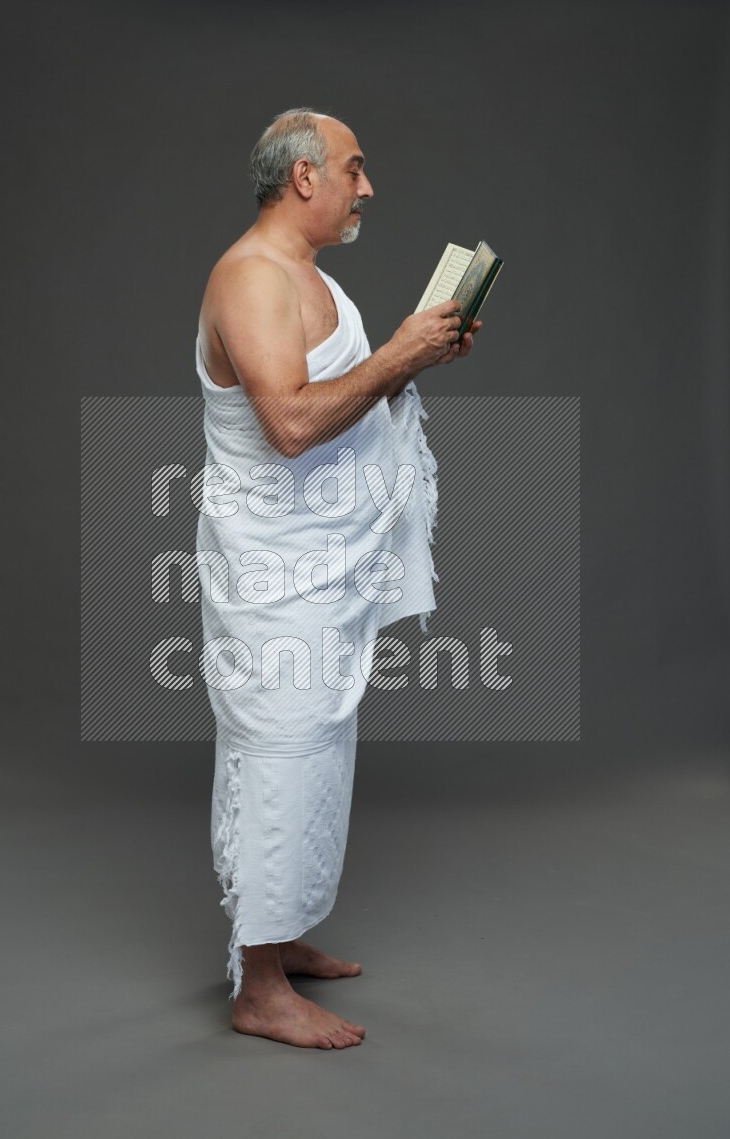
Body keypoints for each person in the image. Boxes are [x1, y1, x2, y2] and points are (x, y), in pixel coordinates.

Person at [195, 107, 481, 1049]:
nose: (368, 188)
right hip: (276, 569)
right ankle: (260, 986)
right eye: (355, 169)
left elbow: (342, 400)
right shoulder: (249, 278)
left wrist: (414, 357)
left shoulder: (314, 279)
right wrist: (397, 352)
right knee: (280, 751)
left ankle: (279, 934)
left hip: (326, 566)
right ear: (305, 177)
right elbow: (289, 424)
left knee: (318, 746)